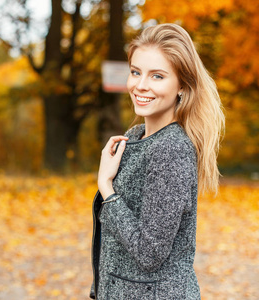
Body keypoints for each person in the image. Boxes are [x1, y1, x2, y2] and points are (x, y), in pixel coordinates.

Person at [90, 23, 225, 299]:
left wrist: (107, 187)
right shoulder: (135, 136)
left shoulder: (171, 149)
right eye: (136, 72)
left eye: (157, 76)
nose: (140, 85)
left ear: (182, 86)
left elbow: (149, 253)